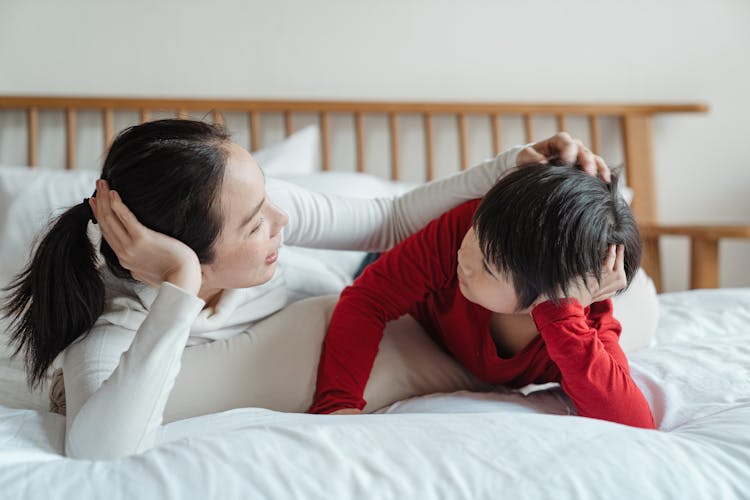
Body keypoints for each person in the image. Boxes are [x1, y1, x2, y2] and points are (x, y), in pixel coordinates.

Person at [2, 118, 610, 459]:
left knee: (606, 293)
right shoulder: (108, 329)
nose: (283, 220)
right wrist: (181, 288)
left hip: (374, 276)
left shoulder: (261, 209)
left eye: (269, 195)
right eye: (255, 222)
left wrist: (512, 168)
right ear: (190, 254)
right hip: (359, 297)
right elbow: (100, 453)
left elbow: (391, 220)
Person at [309, 164, 655, 429]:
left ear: (546, 299)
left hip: (552, 300)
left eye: (489, 267)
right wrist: (337, 405)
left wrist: (562, 314)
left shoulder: (579, 321)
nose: (467, 256)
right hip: (395, 265)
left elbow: (635, 424)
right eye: (476, 232)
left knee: (643, 298)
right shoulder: (464, 231)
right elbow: (368, 298)